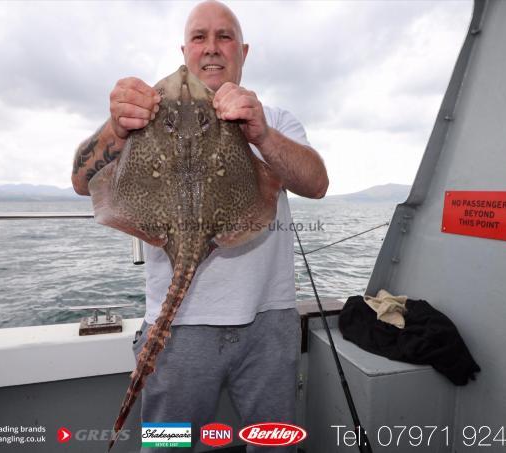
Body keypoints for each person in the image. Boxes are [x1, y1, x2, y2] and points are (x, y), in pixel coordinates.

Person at [71, 1, 328, 450]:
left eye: (224, 36)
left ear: (243, 51)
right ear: (184, 49)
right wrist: (116, 128)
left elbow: (317, 183)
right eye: (199, 37)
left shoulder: (273, 120)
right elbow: (81, 181)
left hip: (268, 322)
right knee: (170, 445)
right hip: (179, 331)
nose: (211, 48)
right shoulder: (144, 117)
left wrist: (261, 134)